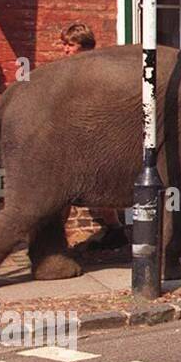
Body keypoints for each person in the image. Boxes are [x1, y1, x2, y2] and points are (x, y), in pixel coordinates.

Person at [56, 22, 128, 250]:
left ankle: (57, 242)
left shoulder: (94, 70)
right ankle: (115, 231)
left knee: (67, 190)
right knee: (84, 190)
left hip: (94, 138)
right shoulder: (71, 69)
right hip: (77, 137)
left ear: (84, 46)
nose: (65, 50)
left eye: (70, 45)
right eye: (64, 45)